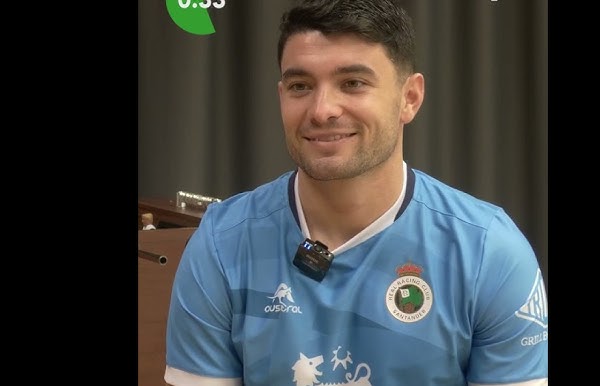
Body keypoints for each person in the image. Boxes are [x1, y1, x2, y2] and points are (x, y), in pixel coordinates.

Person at [164, 0, 548, 384]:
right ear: (281, 97)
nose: (322, 109)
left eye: (353, 83)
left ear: (409, 98)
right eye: (301, 86)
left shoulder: (487, 252)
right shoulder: (221, 245)